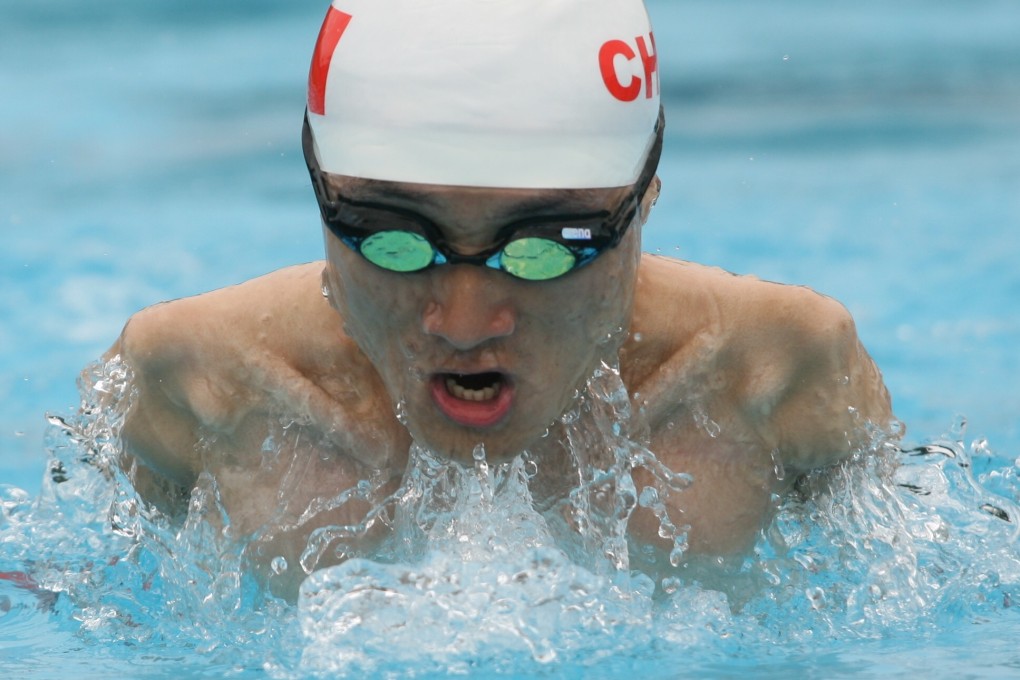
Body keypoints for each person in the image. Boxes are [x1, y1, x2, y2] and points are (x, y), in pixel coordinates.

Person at [104, 0, 892, 598]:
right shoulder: (196, 381)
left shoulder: (776, 374)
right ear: (318, 194)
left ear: (645, 199)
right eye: (391, 239)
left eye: (546, 247)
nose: (465, 321)